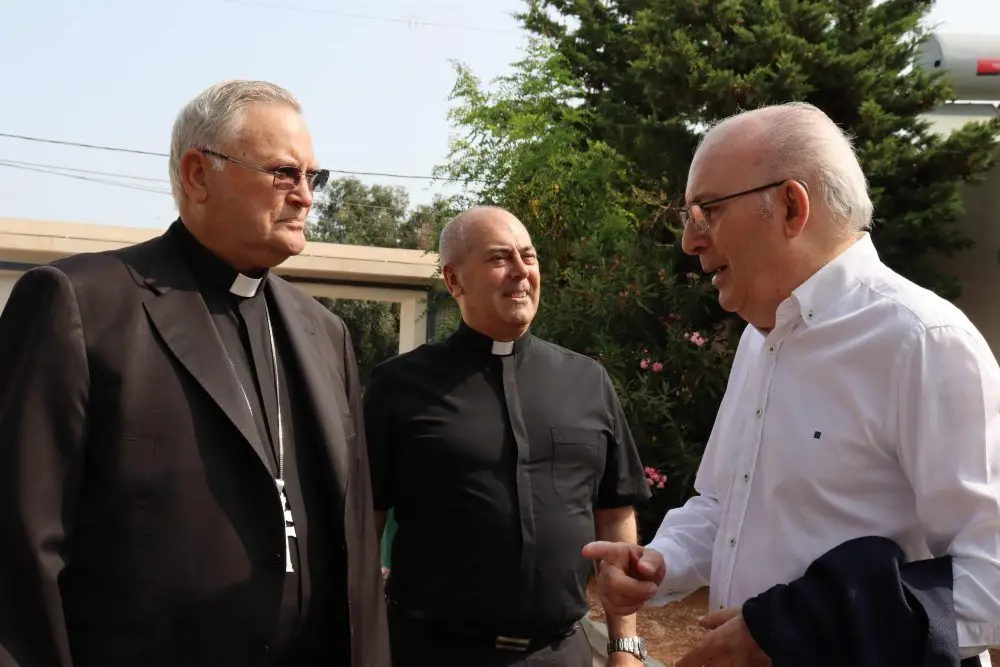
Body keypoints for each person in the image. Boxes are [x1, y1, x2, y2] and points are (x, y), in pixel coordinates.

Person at [583, 102, 1000, 666]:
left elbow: (991, 577)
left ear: (790, 206)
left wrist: (791, 632)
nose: (689, 241)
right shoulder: (761, 340)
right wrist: (661, 562)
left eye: (707, 211)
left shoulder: (924, 341)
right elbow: (723, 505)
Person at [0, 80, 389, 667]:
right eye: (284, 173)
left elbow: (356, 542)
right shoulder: (80, 304)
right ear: (198, 174)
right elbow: (19, 547)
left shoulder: (324, 332)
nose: (306, 197)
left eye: (315, 177)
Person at [363, 206, 653, 666]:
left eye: (528, 256)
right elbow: (365, 523)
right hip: (430, 654)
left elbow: (614, 511)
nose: (521, 271)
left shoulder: (587, 381)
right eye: (500, 258)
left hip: (560, 654)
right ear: (454, 280)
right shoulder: (398, 387)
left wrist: (625, 646)